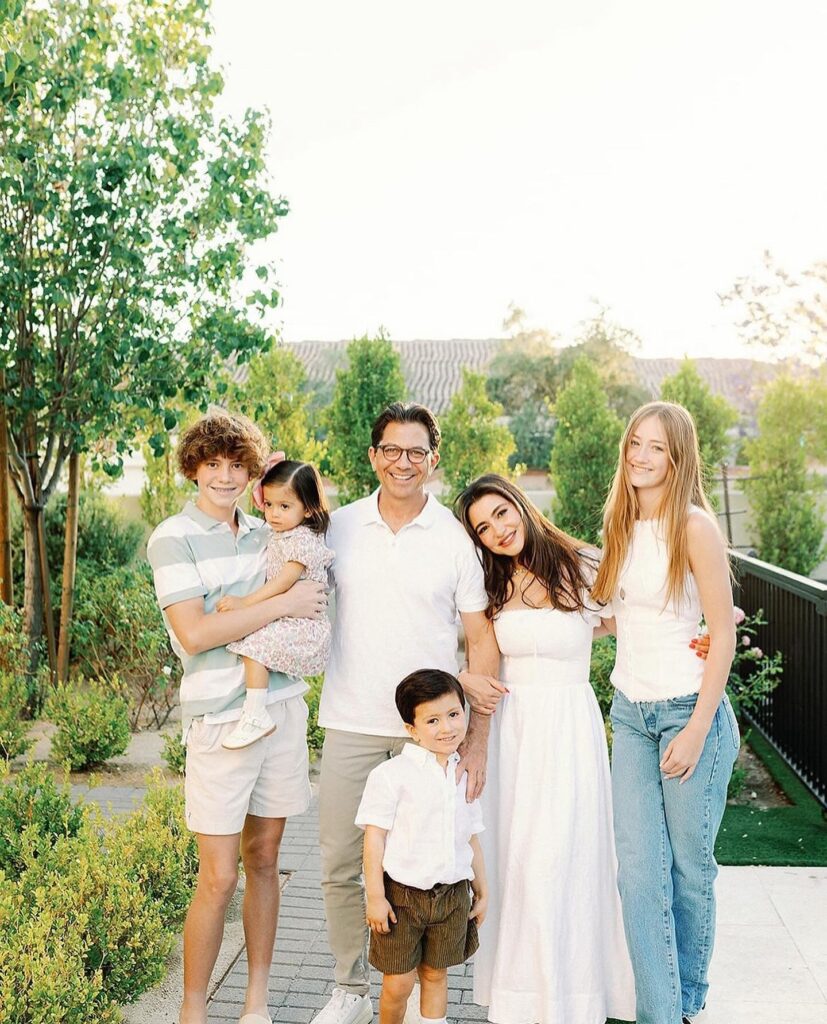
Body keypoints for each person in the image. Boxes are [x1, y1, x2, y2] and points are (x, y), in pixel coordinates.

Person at [313, 402, 501, 1024]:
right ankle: (348, 987)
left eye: (416, 451)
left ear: (433, 459)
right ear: (373, 456)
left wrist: (473, 741)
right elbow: (295, 589)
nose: (402, 462)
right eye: (391, 450)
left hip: (429, 741)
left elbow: (480, 641)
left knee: (429, 867)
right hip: (349, 719)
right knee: (344, 864)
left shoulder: (455, 539)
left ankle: (424, 998)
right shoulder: (337, 528)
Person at [146, 411, 326, 1024]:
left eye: (236, 465)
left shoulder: (271, 528)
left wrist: (283, 602)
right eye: (211, 464)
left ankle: (255, 1005)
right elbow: (195, 634)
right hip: (222, 722)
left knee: (266, 858)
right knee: (219, 877)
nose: (223, 476)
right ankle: (192, 1013)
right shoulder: (173, 536)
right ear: (193, 468)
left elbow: (315, 561)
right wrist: (285, 603)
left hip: (281, 709)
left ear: (253, 472)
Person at [455, 474, 636, 1024]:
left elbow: (628, 616)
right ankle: (523, 999)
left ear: (521, 505)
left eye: (502, 513)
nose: (498, 531)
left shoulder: (580, 564)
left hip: (569, 729)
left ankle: (575, 997)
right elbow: (483, 664)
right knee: (522, 860)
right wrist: (476, 744)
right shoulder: (491, 585)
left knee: (567, 857)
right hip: (514, 731)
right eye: (483, 528)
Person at [592, 401, 739, 1024]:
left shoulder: (694, 526)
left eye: (656, 447)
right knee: (637, 876)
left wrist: (699, 729)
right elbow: (607, 618)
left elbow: (722, 632)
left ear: (678, 458)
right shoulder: (620, 528)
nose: (640, 456)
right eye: (635, 443)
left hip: (688, 714)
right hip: (630, 715)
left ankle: (686, 1003)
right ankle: (659, 1009)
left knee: (687, 870)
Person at [356, 669, 488, 1024]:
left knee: (436, 975)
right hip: (402, 899)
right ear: (411, 729)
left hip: (452, 896)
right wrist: (375, 896)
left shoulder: (464, 772)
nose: (446, 728)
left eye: (454, 714)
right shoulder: (391, 775)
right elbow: (374, 838)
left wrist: (483, 889)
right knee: (397, 983)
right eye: (432, 720)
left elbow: (471, 835)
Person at [218, 457, 334, 750]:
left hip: (304, 628)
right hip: (290, 619)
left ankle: (255, 714)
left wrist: (245, 603)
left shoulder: (302, 539)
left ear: (307, 509)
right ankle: (255, 712)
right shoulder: (281, 534)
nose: (273, 514)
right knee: (251, 643)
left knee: (253, 646)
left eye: (285, 507)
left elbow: (283, 582)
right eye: (268, 505)